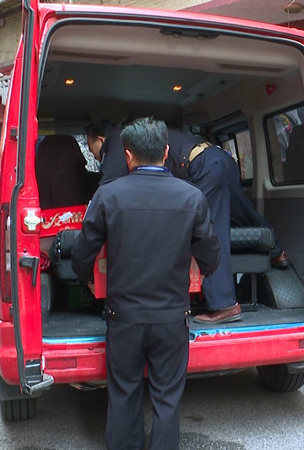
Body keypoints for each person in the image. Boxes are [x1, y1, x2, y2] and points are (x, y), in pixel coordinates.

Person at [71, 117, 220, 449]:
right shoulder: (192, 197)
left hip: (124, 318)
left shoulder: (108, 195)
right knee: (167, 397)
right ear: (166, 152)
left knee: (124, 392)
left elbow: (83, 254)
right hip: (172, 318)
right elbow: (210, 255)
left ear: (127, 155)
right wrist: (203, 271)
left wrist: (86, 281)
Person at [86, 120, 288, 324]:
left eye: (90, 146)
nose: (92, 155)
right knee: (240, 212)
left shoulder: (117, 141)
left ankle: (225, 304)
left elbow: (108, 188)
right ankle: (276, 250)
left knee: (207, 230)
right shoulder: (135, 137)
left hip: (201, 167)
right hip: (220, 159)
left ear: (100, 140)